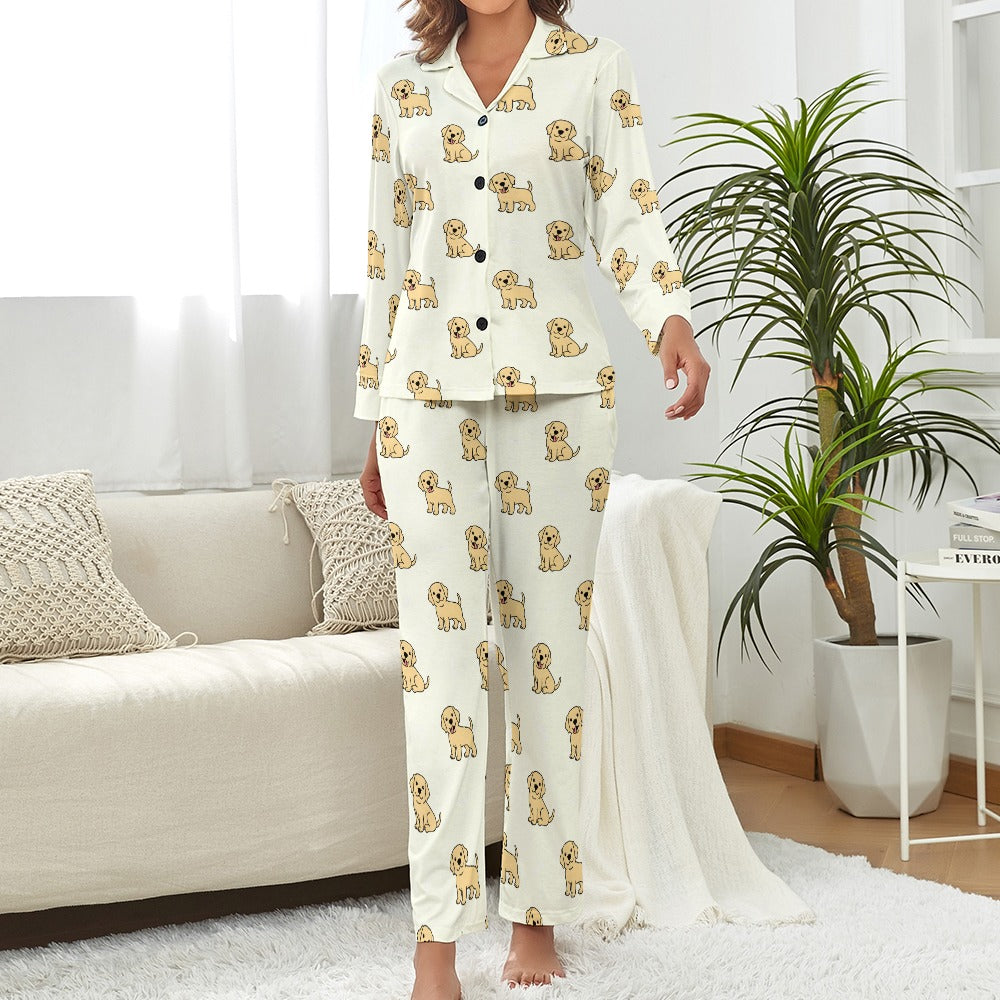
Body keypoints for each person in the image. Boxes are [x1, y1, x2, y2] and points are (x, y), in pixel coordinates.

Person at [354, 1, 711, 996]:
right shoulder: (401, 86)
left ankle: (538, 917)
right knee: (439, 676)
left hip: (560, 398)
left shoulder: (593, 68)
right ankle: (435, 943)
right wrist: (372, 415)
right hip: (424, 401)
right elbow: (384, 256)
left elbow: (628, 211)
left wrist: (670, 321)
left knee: (547, 666)